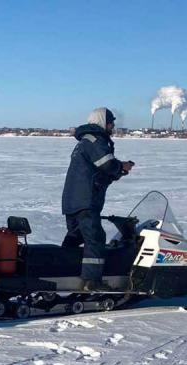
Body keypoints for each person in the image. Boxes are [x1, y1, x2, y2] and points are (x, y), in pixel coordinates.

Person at [61, 107, 135, 291]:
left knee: (75, 236)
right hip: (85, 200)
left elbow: (100, 172)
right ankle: (92, 282)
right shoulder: (95, 140)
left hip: (73, 200)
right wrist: (121, 166)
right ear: (103, 122)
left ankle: (61, 269)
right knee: (95, 238)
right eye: (111, 122)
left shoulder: (85, 141)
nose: (113, 126)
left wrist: (120, 171)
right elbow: (107, 164)